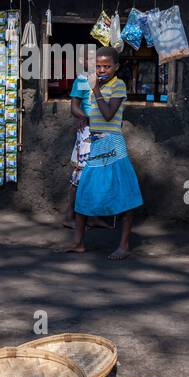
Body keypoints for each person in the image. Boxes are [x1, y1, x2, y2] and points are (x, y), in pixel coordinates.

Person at [65, 46, 143, 259]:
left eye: (107, 66)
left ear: (116, 67)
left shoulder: (118, 85)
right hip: (96, 144)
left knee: (126, 195)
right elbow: (83, 111)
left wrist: (96, 90)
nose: (102, 70)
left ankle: (124, 245)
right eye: (98, 66)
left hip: (114, 145)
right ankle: (79, 242)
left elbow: (108, 114)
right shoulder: (91, 85)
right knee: (83, 193)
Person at [63, 70, 111, 230]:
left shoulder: (108, 81)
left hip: (104, 131)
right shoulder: (82, 80)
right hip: (87, 131)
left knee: (98, 174)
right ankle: (69, 216)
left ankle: (93, 217)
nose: (101, 68)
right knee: (80, 174)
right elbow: (74, 108)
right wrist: (87, 117)